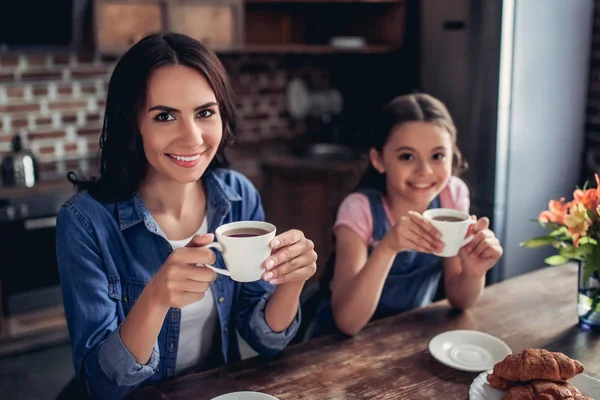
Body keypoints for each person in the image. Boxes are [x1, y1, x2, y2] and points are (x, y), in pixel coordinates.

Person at [56, 32, 317, 399]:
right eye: (164, 116)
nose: (192, 137)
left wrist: (291, 281)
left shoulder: (238, 195)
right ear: (132, 125)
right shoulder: (84, 222)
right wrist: (156, 298)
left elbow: (266, 341)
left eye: (205, 113)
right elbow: (100, 386)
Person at [308, 93, 503, 338]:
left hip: (407, 337)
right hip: (336, 345)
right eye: (407, 156)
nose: (425, 171)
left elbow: (459, 300)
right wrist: (388, 247)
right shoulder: (359, 209)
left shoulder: (452, 195)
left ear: (452, 155)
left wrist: (474, 272)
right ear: (379, 160)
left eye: (437, 156)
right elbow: (348, 322)